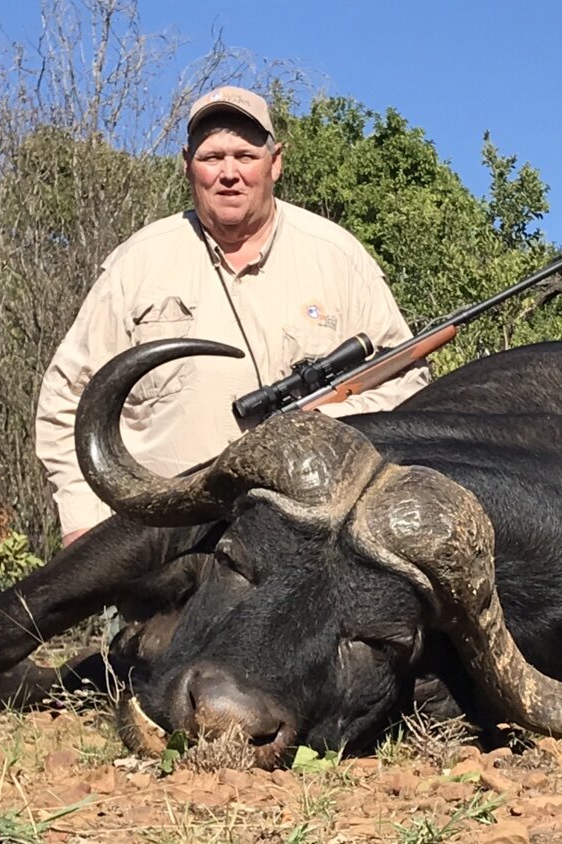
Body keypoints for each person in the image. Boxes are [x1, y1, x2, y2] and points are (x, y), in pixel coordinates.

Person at [36, 86, 429, 546]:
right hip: (160, 543)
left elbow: (407, 383)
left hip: (300, 544)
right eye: (211, 157)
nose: (228, 174)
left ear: (275, 162)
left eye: (245, 155)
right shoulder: (138, 262)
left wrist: (325, 421)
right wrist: (84, 522)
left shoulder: (338, 257)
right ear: (187, 164)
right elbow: (68, 399)